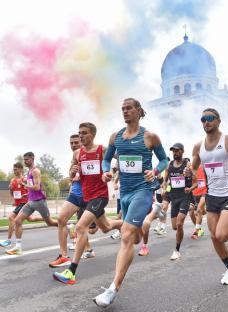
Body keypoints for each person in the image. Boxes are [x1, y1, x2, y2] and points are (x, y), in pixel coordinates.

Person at [93, 98, 168, 307]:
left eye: (129, 108)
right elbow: (107, 160)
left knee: (126, 236)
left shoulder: (149, 136)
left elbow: (164, 160)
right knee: (133, 239)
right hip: (124, 193)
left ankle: (112, 289)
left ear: (138, 111)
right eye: (123, 109)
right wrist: (107, 171)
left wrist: (154, 172)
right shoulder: (115, 137)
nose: (125, 111)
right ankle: (150, 218)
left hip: (142, 191)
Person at [186, 108, 228, 285]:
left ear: (218, 120)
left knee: (222, 235)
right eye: (203, 119)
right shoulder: (198, 147)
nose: (206, 122)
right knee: (214, 236)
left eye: (210, 118)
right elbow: (193, 168)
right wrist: (189, 171)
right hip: (211, 195)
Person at [53, 122, 123, 285]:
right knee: (105, 227)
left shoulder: (102, 150)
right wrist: (72, 173)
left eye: (84, 133)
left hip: (100, 196)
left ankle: (71, 272)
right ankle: (125, 224)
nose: (81, 136)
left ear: (92, 134)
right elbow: (73, 171)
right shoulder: (78, 153)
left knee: (80, 227)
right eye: (79, 133)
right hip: (86, 196)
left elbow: (120, 159)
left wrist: (110, 173)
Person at [49, 134, 95, 268]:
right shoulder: (75, 154)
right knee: (61, 220)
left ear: (82, 142)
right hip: (75, 194)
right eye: (71, 143)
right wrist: (72, 174)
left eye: (76, 142)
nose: (74, 145)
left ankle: (122, 225)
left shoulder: (93, 153)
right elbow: (71, 175)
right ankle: (64, 256)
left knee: (96, 229)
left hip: (90, 195)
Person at [5, 152, 58, 255]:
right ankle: (18, 248)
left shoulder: (35, 171)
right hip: (31, 201)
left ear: (32, 159)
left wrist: (24, 184)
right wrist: (27, 195)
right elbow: (32, 188)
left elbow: (37, 187)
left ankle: (68, 227)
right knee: (17, 221)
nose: (25, 162)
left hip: (39, 202)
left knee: (50, 222)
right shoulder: (29, 171)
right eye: (24, 160)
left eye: (27, 160)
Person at [0, 162, 43, 248]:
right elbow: (13, 195)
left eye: (15, 169)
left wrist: (25, 195)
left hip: (25, 203)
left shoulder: (25, 179)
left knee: (11, 217)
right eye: (13, 169)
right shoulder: (12, 181)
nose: (14, 171)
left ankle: (9, 241)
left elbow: (33, 190)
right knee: (31, 219)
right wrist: (11, 190)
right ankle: (48, 219)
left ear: (20, 169)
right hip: (18, 204)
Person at [164, 143, 194, 260]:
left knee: (179, 223)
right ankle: (190, 208)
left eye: (177, 151)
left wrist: (190, 188)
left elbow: (196, 181)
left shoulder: (188, 165)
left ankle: (177, 250)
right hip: (174, 198)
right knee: (175, 227)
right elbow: (166, 180)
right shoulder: (170, 165)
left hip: (184, 197)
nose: (175, 153)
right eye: (173, 151)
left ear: (182, 151)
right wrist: (164, 186)